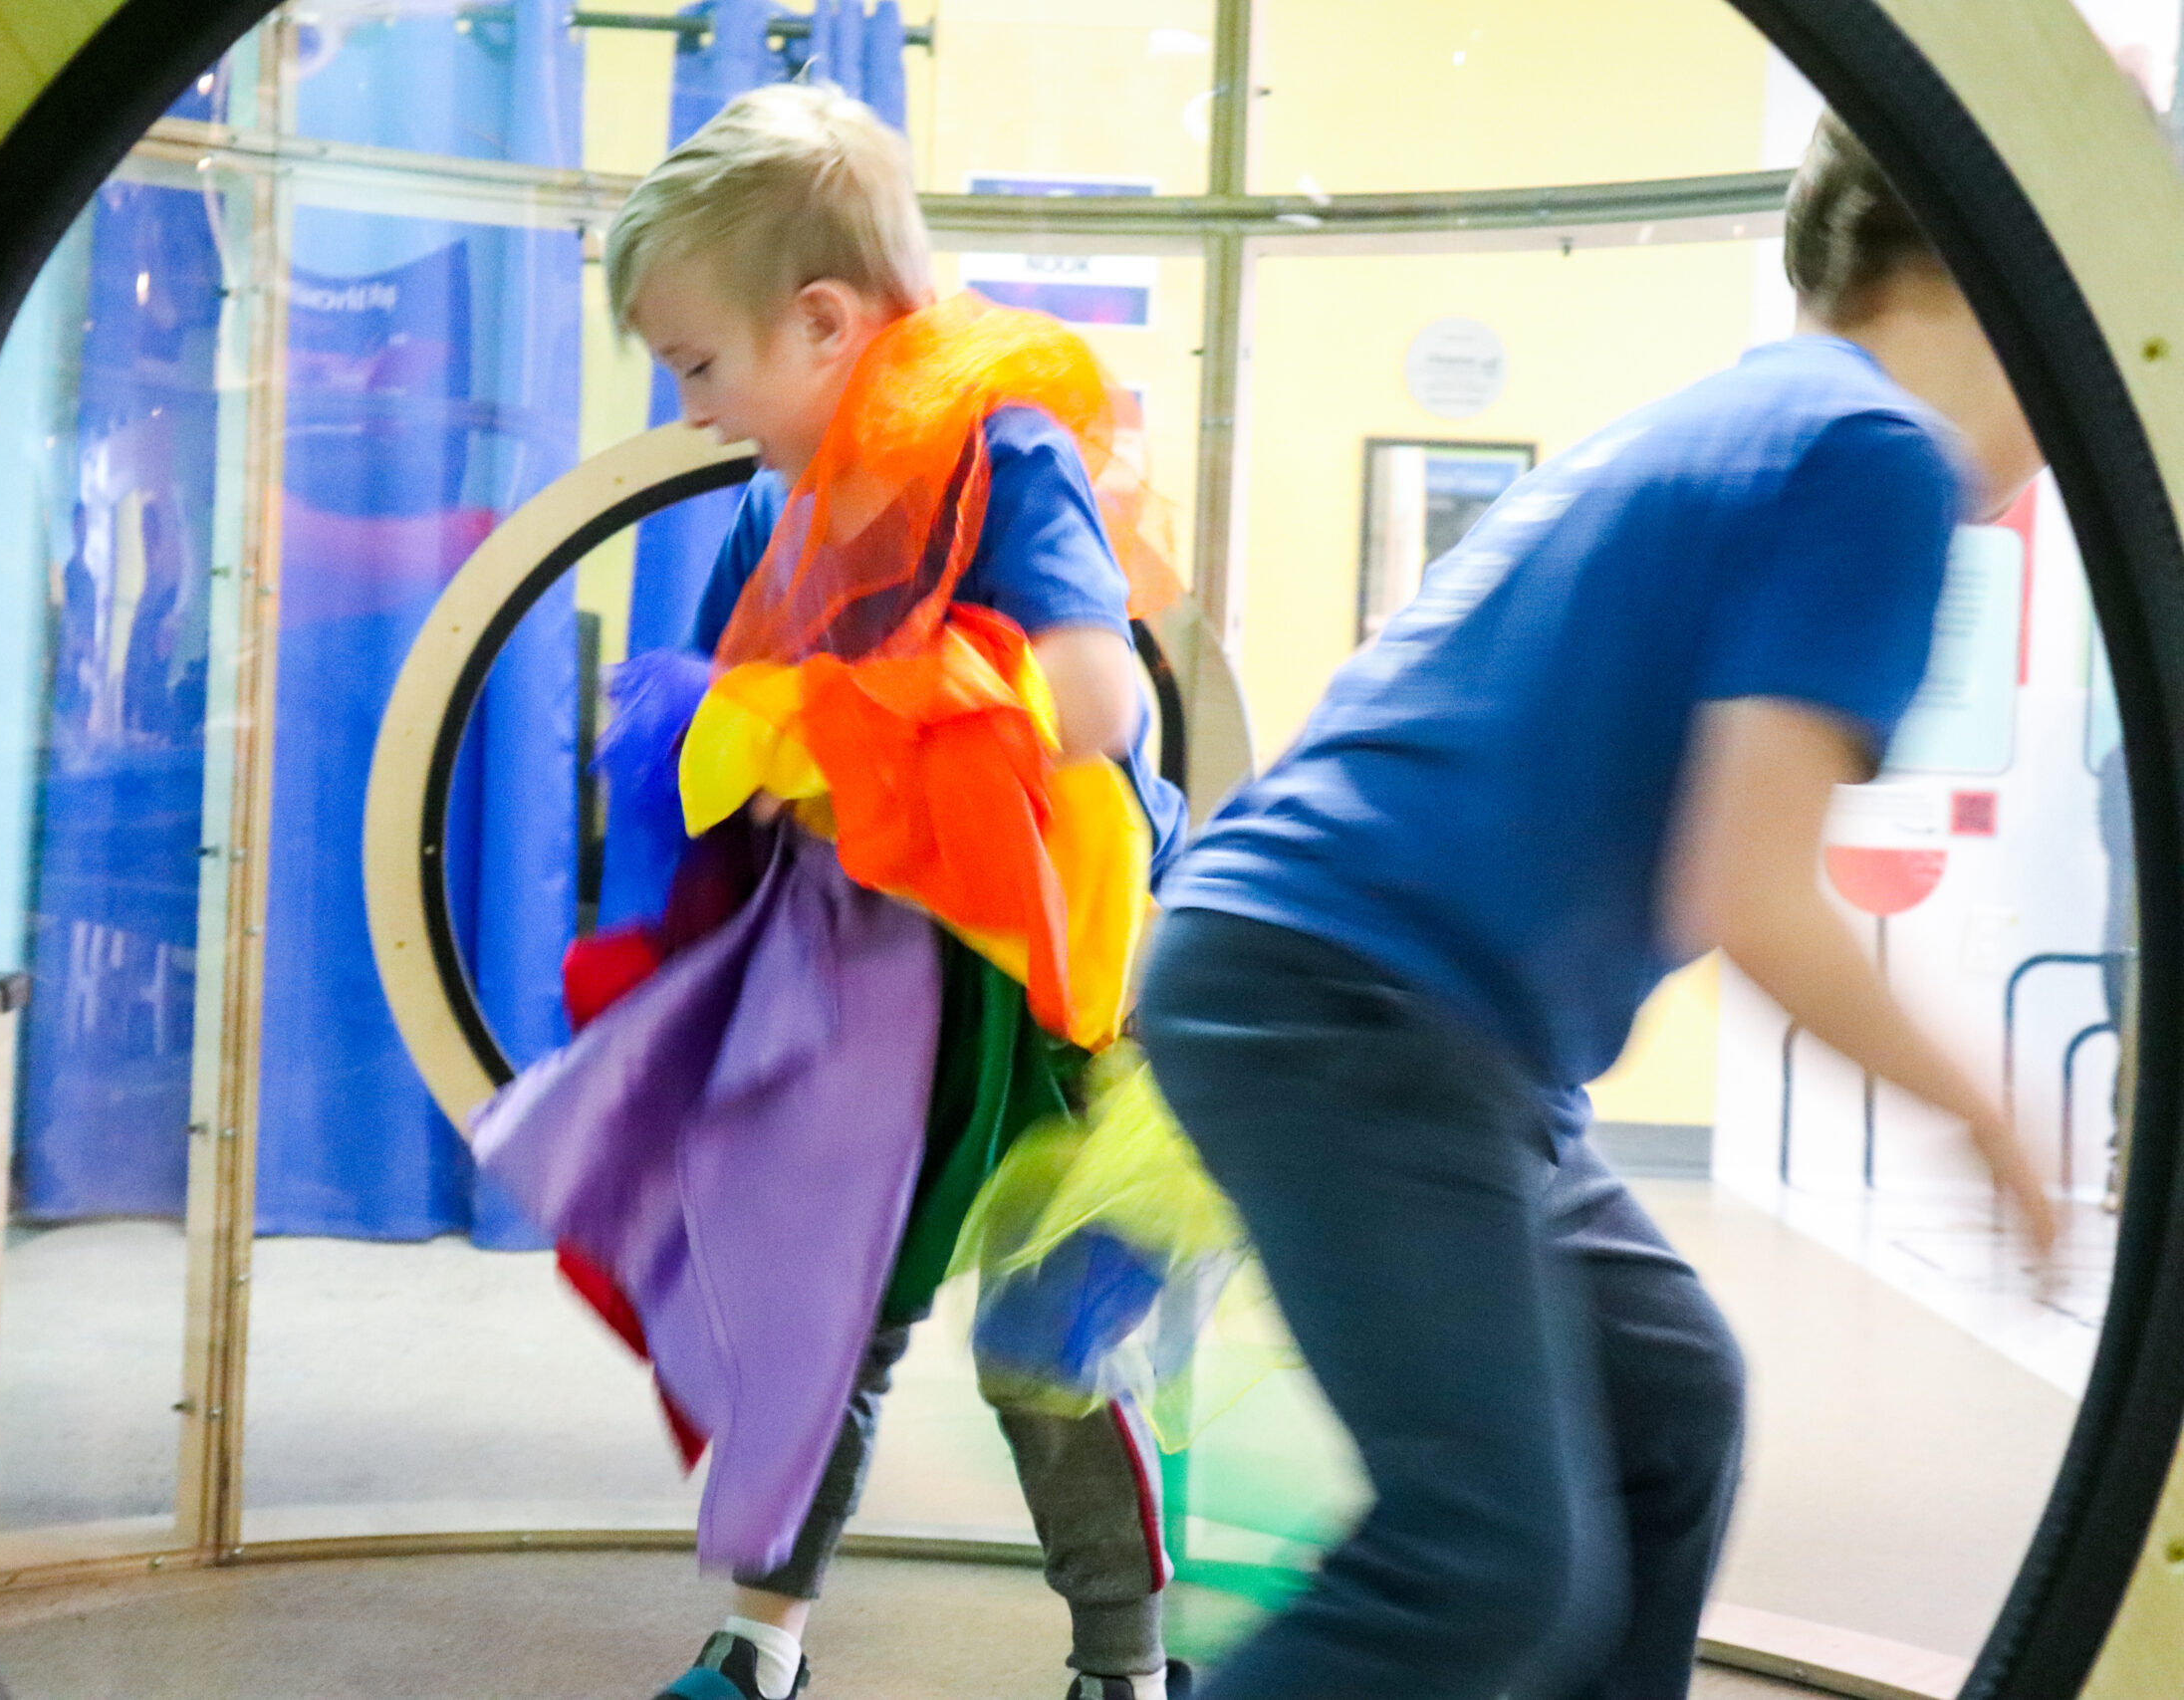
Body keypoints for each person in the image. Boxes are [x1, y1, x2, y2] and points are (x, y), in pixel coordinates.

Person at [1135, 112, 2059, 1700]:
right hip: (1349, 995)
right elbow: (1757, 895)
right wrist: (1985, 1113)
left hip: (1430, 1020)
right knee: (1486, 1557)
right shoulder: (1876, 456)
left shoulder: (1760, 410)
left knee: (1665, 1406)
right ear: (2004, 265)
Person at [585, 83, 1187, 1700]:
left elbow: (1094, 703)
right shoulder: (778, 517)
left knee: (1045, 1353)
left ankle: (1122, 1664)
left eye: (703, 365)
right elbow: (731, 739)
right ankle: (763, 1641)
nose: (697, 407)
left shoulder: (1000, 457)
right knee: (822, 1316)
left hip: (1052, 991)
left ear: (825, 322)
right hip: (873, 976)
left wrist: (873, 733)